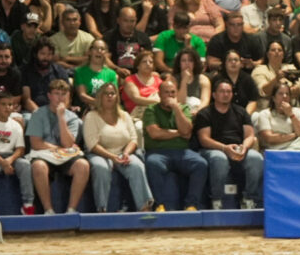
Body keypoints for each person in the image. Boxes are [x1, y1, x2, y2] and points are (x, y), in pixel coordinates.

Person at [82, 82, 154, 212]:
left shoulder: (125, 115)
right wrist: (112, 157)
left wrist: (126, 153)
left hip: (122, 152)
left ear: (117, 97)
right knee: (101, 167)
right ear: (100, 97)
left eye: (112, 93)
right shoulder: (91, 116)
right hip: (99, 154)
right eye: (106, 94)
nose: (110, 96)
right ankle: (102, 209)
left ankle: (144, 207)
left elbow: (133, 139)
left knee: (137, 165)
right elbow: (92, 144)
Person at [193, 77, 263, 210]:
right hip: (213, 149)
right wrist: (225, 148)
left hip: (237, 148)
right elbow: (204, 139)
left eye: (229, 92)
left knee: (256, 158)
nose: (226, 94)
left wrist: (244, 147)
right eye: (222, 91)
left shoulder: (241, 111)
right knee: (219, 159)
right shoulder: (205, 113)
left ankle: (248, 198)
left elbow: (249, 135)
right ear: (214, 94)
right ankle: (216, 200)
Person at [143, 78, 208, 211]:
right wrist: (179, 133)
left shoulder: (183, 108)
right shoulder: (151, 110)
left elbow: (187, 131)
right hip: (157, 152)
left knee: (200, 164)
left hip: (182, 152)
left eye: (173, 92)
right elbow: (155, 133)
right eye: (166, 92)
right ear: (160, 94)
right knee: (152, 163)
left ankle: (191, 204)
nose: (170, 96)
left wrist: (176, 108)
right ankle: (160, 204)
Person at [0, 91, 34, 215]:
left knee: (25, 165)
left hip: (11, 157)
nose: (7, 107)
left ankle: (28, 205)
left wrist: (8, 161)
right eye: (3, 104)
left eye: (10, 104)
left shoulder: (16, 125)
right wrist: (3, 163)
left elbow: (20, 149)